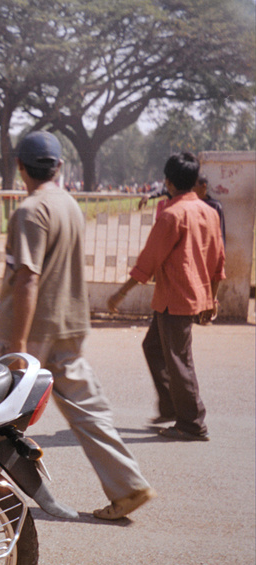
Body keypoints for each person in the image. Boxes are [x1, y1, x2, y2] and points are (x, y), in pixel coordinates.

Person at [0, 131, 155, 520]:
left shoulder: (30, 211)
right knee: (88, 410)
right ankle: (128, 486)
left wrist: (18, 345)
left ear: (19, 166)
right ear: (59, 166)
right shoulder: (69, 205)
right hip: (71, 322)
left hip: (34, 329)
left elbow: (29, 277)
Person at [109, 152, 225, 442]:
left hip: (175, 297)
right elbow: (218, 262)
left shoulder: (172, 215)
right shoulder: (209, 212)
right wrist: (213, 299)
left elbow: (148, 261)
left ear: (169, 182)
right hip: (187, 295)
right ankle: (172, 405)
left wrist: (120, 294)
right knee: (154, 347)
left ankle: (192, 422)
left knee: (178, 359)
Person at [193, 175, 226, 245]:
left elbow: (220, 233)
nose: (191, 189)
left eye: (194, 186)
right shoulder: (190, 204)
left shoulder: (215, 206)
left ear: (203, 186)